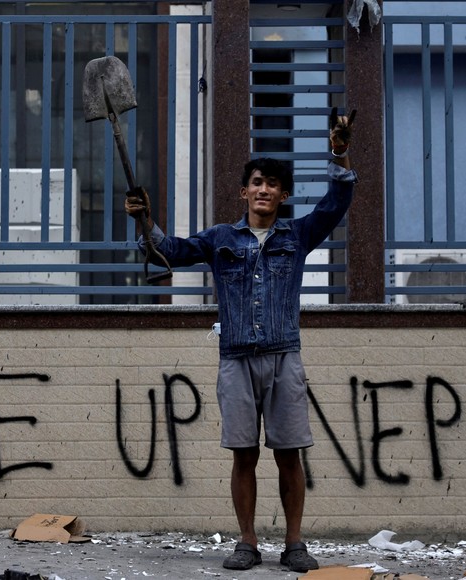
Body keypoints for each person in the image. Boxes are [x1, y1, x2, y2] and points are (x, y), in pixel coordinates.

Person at [125, 112, 357, 573]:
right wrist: (144, 220)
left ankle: (294, 544)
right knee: (244, 454)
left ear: (283, 195)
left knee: (289, 454)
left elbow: (336, 203)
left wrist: (339, 154)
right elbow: (168, 252)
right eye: (257, 182)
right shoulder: (220, 239)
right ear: (243, 191)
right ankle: (247, 542)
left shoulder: (298, 235)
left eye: (273, 184)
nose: (264, 190)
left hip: (283, 357)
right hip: (235, 360)